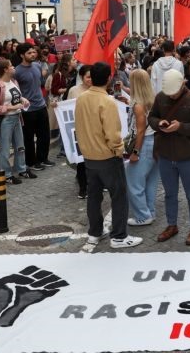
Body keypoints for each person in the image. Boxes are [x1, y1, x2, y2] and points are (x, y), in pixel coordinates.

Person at [74, 61, 142, 248]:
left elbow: (78, 126)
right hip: (107, 156)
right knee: (119, 195)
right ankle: (119, 236)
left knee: (94, 196)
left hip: (88, 156)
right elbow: (112, 134)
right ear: (109, 78)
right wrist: (119, 151)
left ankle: (95, 232)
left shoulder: (82, 98)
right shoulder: (107, 102)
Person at [149, 70, 190, 246]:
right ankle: (171, 225)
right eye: (169, 93)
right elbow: (151, 117)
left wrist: (181, 127)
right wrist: (159, 123)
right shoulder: (161, 97)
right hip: (166, 155)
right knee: (169, 194)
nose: (172, 96)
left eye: (174, 92)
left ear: (183, 84)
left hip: (188, 156)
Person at [0, 59, 36, 185]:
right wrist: (12, 108)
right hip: (6, 120)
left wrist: (23, 99)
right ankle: (6, 174)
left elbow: (17, 96)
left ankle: (21, 169)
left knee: (20, 146)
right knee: (4, 149)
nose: (14, 67)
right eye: (11, 66)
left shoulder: (14, 81)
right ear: (5, 69)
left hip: (17, 118)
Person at [125, 69, 159, 227]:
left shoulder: (138, 106)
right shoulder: (152, 101)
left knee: (134, 184)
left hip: (144, 145)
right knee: (150, 182)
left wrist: (135, 153)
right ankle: (150, 212)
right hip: (154, 144)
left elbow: (140, 130)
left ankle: (142, 216)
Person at [14, 44, 54, 171]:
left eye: (33, 52)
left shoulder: (37, 66)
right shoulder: (17, 71)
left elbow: (41, 83)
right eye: (29, 53)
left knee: (44, 135)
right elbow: (15, 90)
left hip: (41, 105)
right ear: (22, 55)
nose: (32, 55)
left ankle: (43, 158)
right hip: (27, 110)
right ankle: (31, 162)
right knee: (29, 138)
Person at [66, 64, 92, 199]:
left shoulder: (98, 89)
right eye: (88, 77)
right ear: (82, 77)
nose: (90, 79)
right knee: (81, 161)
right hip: (79, 130)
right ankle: (83, 188)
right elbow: (66, 107)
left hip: (94, 130)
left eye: (92, 76)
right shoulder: (74, 90)